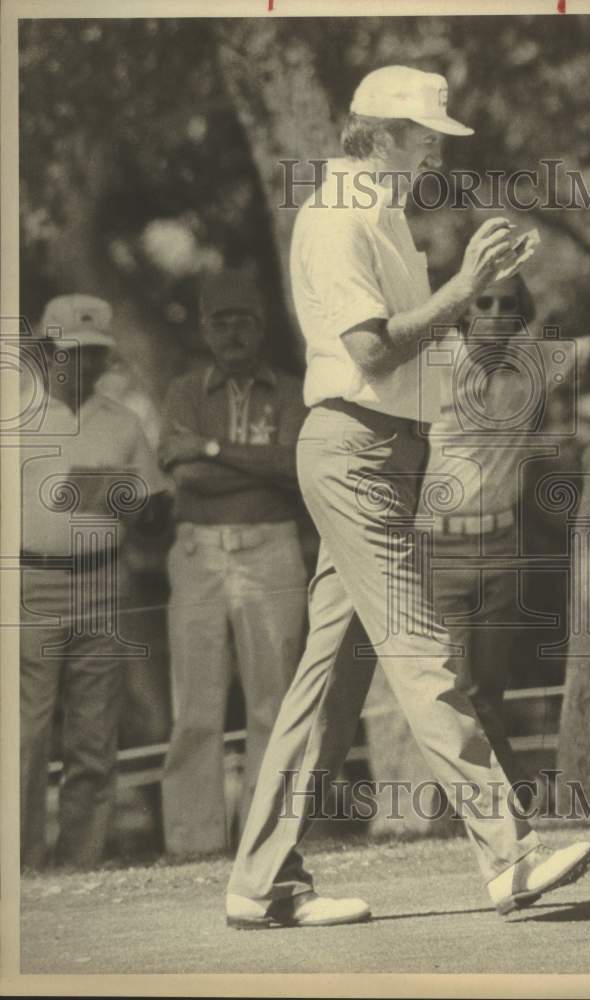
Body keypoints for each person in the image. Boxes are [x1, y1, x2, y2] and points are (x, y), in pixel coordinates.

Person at [225, 65, 590, 929]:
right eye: (424, 134)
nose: (434, 148)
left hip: (386, 453)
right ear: (379, 134)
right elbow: (374, 352)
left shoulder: (380, 213)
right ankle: (508, 857)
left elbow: (420, 356)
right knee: (422, 647)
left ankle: (257, 881)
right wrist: (465, 286)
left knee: (327, 682)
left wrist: (480, 288)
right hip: (354, 449)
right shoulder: (337, 216)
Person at [421, 258, 590, 786]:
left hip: (502, 548)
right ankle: (507, 803)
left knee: (486, 692)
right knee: (455, 693)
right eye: (485, 304)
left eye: (508, 305)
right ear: (462, 310)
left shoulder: (533, 359)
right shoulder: (428, 366)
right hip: (439, 553)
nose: (497, 315)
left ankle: (492, 810)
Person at [159, 269, 309, 857]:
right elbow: (185, 474)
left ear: (262, 322)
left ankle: (267, 838)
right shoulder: (184, 392)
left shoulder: (293, 389)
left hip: (272, 546)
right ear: (203, 326)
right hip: (198, 552)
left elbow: (295, 467)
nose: (232, 329)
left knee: (275, 702)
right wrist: (256, 463)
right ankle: (193, 842)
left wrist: (215, 449)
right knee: (195, 707)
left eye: (242, 317)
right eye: (219, 318)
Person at [19, 294, 168, 870]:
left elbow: (156, 516)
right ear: (46, 352)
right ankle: (23, 863)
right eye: (72, 353)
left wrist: (124, 496)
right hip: (29, 582)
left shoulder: (124, 421)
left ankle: (80, 863)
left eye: (96, 354)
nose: (84, 365)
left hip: (103, 582)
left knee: (93, 735)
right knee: (26, 736)